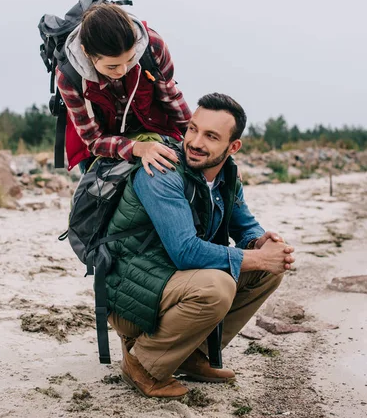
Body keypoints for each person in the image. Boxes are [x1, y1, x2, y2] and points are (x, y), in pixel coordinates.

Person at [105, 93, 296, 399]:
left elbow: (245, 225)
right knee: (217, 286)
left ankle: (191, 354)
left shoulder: (226, 176)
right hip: (131, 291)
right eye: (192, 129)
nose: (194, 141)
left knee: (269, 272)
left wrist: (263, 242)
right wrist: (258, 258)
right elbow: (185, 251)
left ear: (233, 147)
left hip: (170, 284)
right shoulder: (162, 171)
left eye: (210, 136)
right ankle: (142, 363)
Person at [55, 3, 191, 173]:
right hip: (103, 145)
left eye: (130, 59)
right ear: (87, 53)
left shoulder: (153, 45)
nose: (123, 70)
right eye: (112, 67)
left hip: (154, 127)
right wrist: (138, 148)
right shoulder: (68, 76)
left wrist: (196, 137)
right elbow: (93, 140)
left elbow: (171, 98)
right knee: (93, 197)